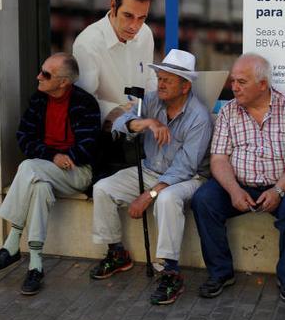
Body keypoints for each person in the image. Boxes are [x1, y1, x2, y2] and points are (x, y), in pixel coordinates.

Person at [90, 49, 212, 306]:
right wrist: (145, 123)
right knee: (102, 188)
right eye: (160, 76)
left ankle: (170, 270)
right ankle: (116, 252)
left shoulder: (198, 117)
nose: (161, 82)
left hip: (188, 178)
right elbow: (120, 123)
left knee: (166, 199)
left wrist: (149, 195)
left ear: (185, 86)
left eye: (168, 79)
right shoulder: (153, 101)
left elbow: (185, 167)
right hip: (150, 169)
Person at [191, 53, 285, 303]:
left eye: (242, 82)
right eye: (233, 81)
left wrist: (279, 190)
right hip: (239, 184)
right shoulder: (228, 111)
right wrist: (234, 190)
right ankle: (220, 273)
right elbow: (218, 159)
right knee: (203, 200)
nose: (234, 87)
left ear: (262, 84)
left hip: (283, 184)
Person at [0, 53, 99, 296]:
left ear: (64, 81)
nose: (38, 77)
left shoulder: (84, 103)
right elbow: (24, 136)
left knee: (27, 167)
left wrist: (69, 157)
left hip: (77, 172)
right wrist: (51, 155)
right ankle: (35, 265)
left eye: (46, 74)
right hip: (45, 169)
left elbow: (90, 144)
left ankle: (12, 243)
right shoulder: (38, 100)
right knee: (39, 186)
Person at [72, 0, 158, 126]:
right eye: (128, 16)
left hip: (141, 128)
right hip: (105, 134)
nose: (135, 26)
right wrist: (118, 110)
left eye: (141, 18)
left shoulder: (145, 33)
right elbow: (82, 103)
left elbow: (149, 78)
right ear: (113, 6)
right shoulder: (87, 44)